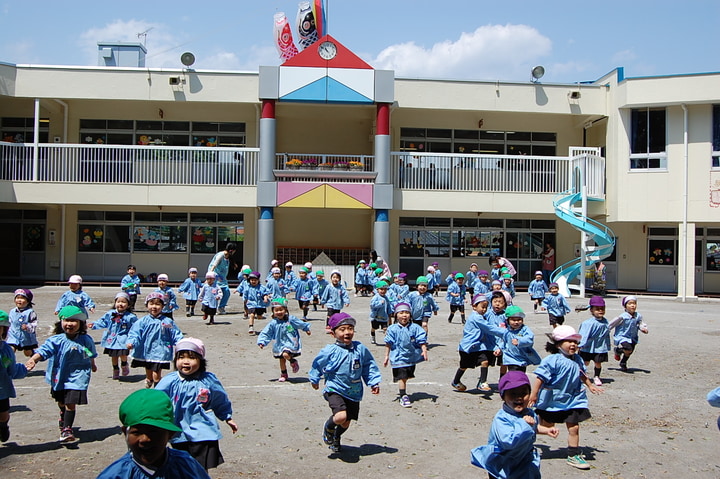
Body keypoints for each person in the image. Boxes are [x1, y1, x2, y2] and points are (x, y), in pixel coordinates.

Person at [156, 337, 238, 470]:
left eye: (191, 358)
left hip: (203, 429)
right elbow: (157, 400)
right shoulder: (169, 381)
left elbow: (219, 398)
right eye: (181, 357)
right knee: (182, 465)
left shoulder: (208, 380)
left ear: (201, 360)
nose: (185, 362)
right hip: (178, 430)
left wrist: (227, 417)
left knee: (200, 466)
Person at [529, 325, 603, 470]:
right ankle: (525, 443)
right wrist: (534, 393)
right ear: (557, 344)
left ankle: (573, 454)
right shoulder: (552, 360)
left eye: (575, 342)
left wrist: (590, 385)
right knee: (546, 427)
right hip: (553, 399)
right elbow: (540, 377)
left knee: (574, 427)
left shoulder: (578, 359)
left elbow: (581, 373)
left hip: (573, 399)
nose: (573, 344)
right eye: (569, 341)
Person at [96, 389, 211, 479]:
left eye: (154, 432)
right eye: (136, 432)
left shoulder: (186, 465)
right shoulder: (116, 475)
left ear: (170, 434)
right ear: (125, 432)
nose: (145, 439)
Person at [309, 312, 381, 453]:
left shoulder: (360, 348)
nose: (347, 332)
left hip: (353, 391)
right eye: (342, 329)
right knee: (341, 416)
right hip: (335, 388)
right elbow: (318, 364)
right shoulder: (330, 350)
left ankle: (336, 437)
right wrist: (315, 378)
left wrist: (373, 382)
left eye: (350, 328)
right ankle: (328, 429)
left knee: (346, 422)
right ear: (333, 333)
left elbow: (368, 365)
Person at [26, 305, 98, 443]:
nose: (69, 324)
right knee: (61, 401)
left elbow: (90, 352)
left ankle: (67, 429)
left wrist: (92, 363)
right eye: (66, 320)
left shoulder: (85, 340)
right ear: (61, 322)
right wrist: (33, 359)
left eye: (73, 321)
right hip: (59, 376)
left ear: (80, 323)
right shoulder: (56, 340)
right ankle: (63, 414)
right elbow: (44, 351)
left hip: (78, 376)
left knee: (70, 403)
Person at [471, 371, 559, 479]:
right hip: (503, 464)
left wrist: (546, 430)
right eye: (513, 394)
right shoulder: (502, 418)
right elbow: (508, 442)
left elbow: (532, 427)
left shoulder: (529, 413)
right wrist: (524, 423)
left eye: (523, 393)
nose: (519, 397)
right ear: (503, 396)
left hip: (523, 460)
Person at [126, 292, 184, 388]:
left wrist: (181, 343)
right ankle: (149, 382)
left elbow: (175, 333)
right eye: (151, 304)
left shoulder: (167, 321)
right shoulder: (142, 321)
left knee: (157, 374)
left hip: (161, 351)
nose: (154, 307)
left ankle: (157, 390)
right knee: (149, 372)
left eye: (157, 304)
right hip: (146, 351)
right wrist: (131, 342)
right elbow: (135, 333)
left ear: (162, 306)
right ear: (147, 305)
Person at [383, 302, 428, 408]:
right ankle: (403, 395)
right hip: (398, 357)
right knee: (402, 377)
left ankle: (402, 391)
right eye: (401, 313)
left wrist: (424, 350)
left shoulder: (415, 328)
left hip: (410, 357)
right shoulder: (392, 329)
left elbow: (422, 340)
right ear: (396, 315)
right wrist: (386, 356)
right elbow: (388, 343)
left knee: (406, 376)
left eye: (407, 313)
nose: (404, 315)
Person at [257, 298, 311, 382]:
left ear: (285, 310)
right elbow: (266, 332)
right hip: (279, 343)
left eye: (281, 310)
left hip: (290, 342)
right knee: (281, 359)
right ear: (273, 312)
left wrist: (306, 328)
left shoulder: (291, 319)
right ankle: (284, 374)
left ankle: (293, 361)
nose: (279, 312)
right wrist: (262, 341)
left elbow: (299, 323)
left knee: (286, 354)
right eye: (276, 310)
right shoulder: (273, 323)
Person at [89, 292, 138, 380]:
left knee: (123, 354)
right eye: (118, 301)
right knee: (114, 356)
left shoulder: (131, 317)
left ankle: (124, 364)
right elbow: (103, 321)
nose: (121, 304)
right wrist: (94, 325)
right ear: (115, 303)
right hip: (111, 339)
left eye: (123, 302)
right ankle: (115, 369)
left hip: (123, 339)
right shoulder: (110, 314)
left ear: (128, 304)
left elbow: (136, 327)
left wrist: (135, 338)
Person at [0, 310, 28, 443]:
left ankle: (3, 426)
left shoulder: (6, 350)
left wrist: (23, 369)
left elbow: (12, 369)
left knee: (3, 415)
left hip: (2, 390)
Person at [494, 306, 542, 373]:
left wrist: (520, 341)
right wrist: (499, 349)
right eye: (513, 320)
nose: (516, 322)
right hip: (511, 358)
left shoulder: (524, 329)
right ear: (507, 320)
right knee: (514, 373)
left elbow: (530, 338)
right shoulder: (507, 331)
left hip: (522, 357)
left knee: (520, 375)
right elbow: (504, 342)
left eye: (519, 320)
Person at [608, 295, 648, 372]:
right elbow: (612, 324)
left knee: (629, 352)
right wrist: (606, 330)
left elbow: (640, 323)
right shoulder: (623, 317)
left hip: (633, 337)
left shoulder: (638, 316)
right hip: (622, 336)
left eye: (634, 303)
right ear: (625, 306)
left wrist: (643, 328)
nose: (632, 305)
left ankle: (623, 362)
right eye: (630, 303)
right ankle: (618, 351)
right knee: (628, 348)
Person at [577, 296, 611, 386]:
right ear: (591, 310)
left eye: (602, 309)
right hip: (587, 346)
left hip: (599, 346)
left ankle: (597, 376)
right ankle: (582, 376)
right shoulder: (588, 323)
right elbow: (583, 335)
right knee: (585, 362)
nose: (600, 311)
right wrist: (579, 344)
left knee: (598, 362)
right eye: (597, 309)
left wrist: (607, 345)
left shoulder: (605, 322)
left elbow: (606, 334)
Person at [7, 288, 38, 358]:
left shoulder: (30, 312)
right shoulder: (12, 311)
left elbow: (34, 323)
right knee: (10, 350)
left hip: (25, 337)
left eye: (22, 298)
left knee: (27, 353)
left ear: (28, 301)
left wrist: (28, 326)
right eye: (17, 298)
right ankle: (6, 365)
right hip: (13, 335)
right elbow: (9, 322)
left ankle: (33, 354)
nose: (19, 300)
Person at [207, 242, 237, 315]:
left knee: (226, 292)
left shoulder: (228, 256)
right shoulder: (220, 255)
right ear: (231, 250)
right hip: (215, 277)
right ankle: (213, 307)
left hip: (223, 278)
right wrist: (210, 275)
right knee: (215, 293)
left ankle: (221, 307)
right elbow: (214, 265)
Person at [243, 271, 269, 336]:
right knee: (252, 315)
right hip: (251, 304)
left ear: (258, 280)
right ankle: (251, 327)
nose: (253, 281)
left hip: (260, 305)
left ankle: (259, 315)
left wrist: (265, 298)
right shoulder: (247, 287)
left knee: (259, 317)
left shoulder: (261, 287)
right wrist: (245, 304)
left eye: (255, 280)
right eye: (252, 280)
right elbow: (245, 296)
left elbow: (265, 294)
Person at [369, 280, 393, 345]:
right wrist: (380, 303)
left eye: (385, 290)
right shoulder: (375, 297)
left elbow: (388, 306)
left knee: (385, 328)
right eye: (381, 289)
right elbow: (372, 305)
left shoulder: (386, 298)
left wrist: (389, 313)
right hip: (376, 317)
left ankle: (388, 340)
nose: (383, 291)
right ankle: (373, 336)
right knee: (374, 328)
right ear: (377, 289)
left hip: (384, 317)